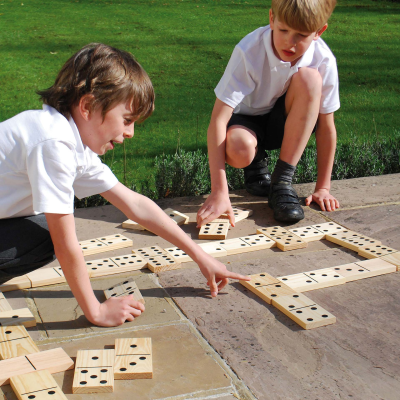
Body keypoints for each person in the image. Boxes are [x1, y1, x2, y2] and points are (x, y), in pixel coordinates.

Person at [0, 43, 249, 327]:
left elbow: (135, 204)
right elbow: (65, 240)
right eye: (127, 120)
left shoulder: (70, 142)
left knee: (40, 231)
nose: (130, 133)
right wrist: (96, 311)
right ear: (87, 106)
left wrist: (201, 256)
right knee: (45, 235)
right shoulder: (53, 144)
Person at [197, 0, 340, 228]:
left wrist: (323, 188)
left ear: (318, 32)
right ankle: (254, 164)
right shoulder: (249, 50)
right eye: (283, 30)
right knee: (240, 148)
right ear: (272, 18)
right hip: (246, 122)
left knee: (310, 79)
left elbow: (326, 127)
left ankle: (282, 182)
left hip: (285, 122)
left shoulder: (323, 59)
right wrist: (219, 191)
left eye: (301, 35)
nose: (289, 42)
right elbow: (218, 120)